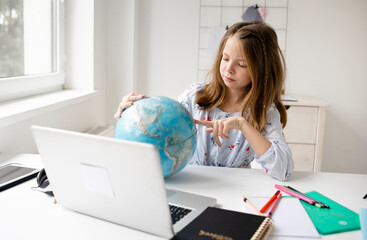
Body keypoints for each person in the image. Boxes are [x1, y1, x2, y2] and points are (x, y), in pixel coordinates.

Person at [114, 21, 294, 181]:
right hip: (191, 183)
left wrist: (243, 125)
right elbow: (160, 124)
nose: (228, 69)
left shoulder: (265, 112)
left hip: (235, 190)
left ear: (261, 70)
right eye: (225, 58)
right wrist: (132, 114)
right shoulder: (195, 96)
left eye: (242, 65)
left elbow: (283, 171)